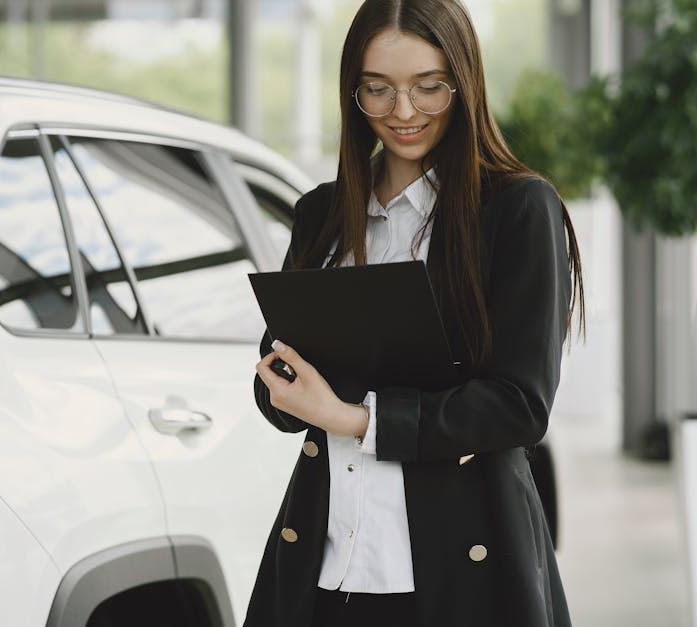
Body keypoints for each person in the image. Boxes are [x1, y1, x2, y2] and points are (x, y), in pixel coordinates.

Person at [244, 1, 583, 626]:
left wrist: (352, 418)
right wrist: (283, 386)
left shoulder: (516, 210)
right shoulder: (321, 213)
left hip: (461, 571)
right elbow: (279, 388)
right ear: (354, 93)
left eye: (429, 88)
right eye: (378, 90)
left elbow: (519, 405)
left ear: (465, 82)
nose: (403, 112)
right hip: (326, 563)